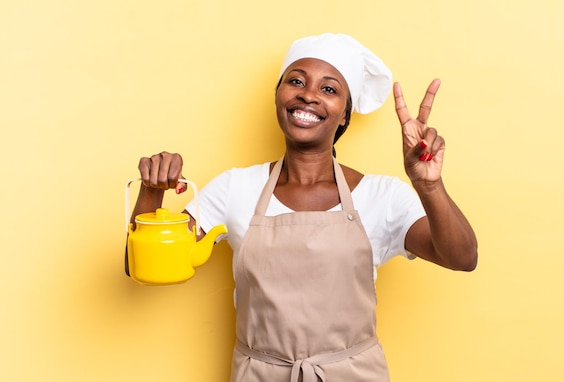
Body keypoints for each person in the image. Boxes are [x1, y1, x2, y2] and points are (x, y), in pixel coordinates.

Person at [127, 33, 478, 382]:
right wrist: (152, 192)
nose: (308, 94)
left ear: (344, 116)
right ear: (278, 97)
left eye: (329, 89)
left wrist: (428, 185)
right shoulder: (235, 188)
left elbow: (462, 258)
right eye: (296, 81)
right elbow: (141, 266)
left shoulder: (380, 194)